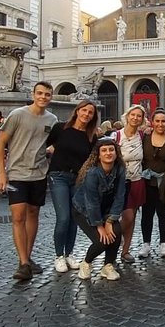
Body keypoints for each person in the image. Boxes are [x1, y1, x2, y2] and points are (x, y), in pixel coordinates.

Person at [0, 81, 57, 281]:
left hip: (39, 173)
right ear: (33, 94)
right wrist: (2, 173)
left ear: (51, 96)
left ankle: (27, 258)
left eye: (47, 94)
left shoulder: (52, 119)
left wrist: (50, 149)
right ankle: (22, 263)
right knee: (18, 216)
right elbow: (1, 143)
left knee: (33, 214)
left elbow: (51, 143)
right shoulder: (17, 115)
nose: (43, 97)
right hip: (17, 173)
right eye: (40, 93)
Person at [46, 100, 98, 274]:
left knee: (74, 218)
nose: (86, 115)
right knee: (63, 217)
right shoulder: (61, 128)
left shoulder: (91, 136)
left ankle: (69, 253)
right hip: (58, 176)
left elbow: (92, 160)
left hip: (77, 179)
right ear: (77, 111)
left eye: (90, 112)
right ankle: (59, 255)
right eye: (84, 110)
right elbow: (44, 145)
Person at [73, 138, 126, 281]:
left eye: (111, 150)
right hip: (84, 211)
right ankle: (86, 263)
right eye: (104, 150)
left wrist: (110, 221)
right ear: (98, 154)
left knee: (116, 232)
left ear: (116, 152)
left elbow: (120, 197)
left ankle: (108, 265)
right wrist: (99, 226)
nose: (108, 153)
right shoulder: (93, 173)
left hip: (106, 211)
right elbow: (91, 203)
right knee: (102, 240)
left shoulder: (120, 170)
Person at [111, 104, 146, 263]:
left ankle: (125, 250)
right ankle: (112, 244)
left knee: (131, 218)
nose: (135, 118)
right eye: (133, 115)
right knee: (126, 216)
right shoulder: (116, 136)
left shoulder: (143, 136)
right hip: (119, 182)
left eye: (139, 116)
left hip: (137, 181)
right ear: (127, 116)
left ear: (142, 119)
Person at [139, 109, 165, 258]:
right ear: (152, 122)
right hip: (146, 182)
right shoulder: (145, 137)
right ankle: (146, 244)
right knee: (147, 214)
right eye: (157, 121)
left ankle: (164, 243)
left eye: (163, 121)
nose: (160, 124)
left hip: (164, 183)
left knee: (163, 213)